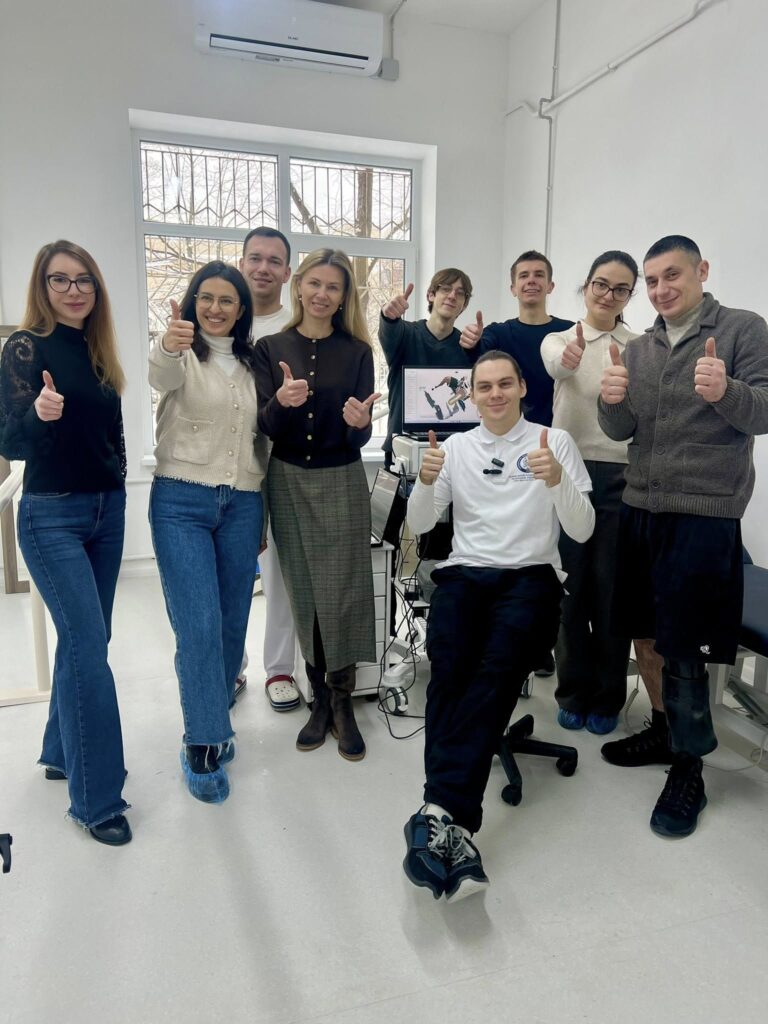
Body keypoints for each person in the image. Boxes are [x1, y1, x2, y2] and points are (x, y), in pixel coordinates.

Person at [403, 350, 594, 901]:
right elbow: (418, 523)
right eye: (484, 386)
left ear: (522, 388)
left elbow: (582, 531)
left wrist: (557, 481)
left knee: (496, 668)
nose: (495, 394)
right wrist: (424, 482)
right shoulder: (455, 448)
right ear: (471, 394)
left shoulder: (554, 442)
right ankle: (453, 827)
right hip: (466, 574)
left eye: (504, 384)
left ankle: (439, 813)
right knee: (448, 666)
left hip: (531, 577)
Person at [598, 234, 768, 838]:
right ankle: (665, 731)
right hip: (641, 507)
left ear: (702, 271)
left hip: (703, 515)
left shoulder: (742, 329)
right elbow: (621, 428)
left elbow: (765, 411)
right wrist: (610, 402)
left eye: (671, 275)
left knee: (687, 648)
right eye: (651, 280)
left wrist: (727, 391)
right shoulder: (640, 347)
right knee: (645, 633)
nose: (660, 289)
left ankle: (689, 768)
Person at [0, 240, 131, 846]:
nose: (74, 290)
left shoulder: (99, 350)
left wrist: (117, 480)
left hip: (107, 512)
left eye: (84, 280)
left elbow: (114, 434)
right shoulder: (25, 347)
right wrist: (39, 414)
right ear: (42, 286)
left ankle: (59, 751)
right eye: (60, 280)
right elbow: (9, 440)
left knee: (86, 641)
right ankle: (97, 799)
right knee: (88, 651)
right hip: (51, 515)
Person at [254, 248, 378, 761]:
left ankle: (343, 701)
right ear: (298, 285)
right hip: (286, 480)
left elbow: (358, 437)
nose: (322, 294)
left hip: (341, 477)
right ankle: (319, 700)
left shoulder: (358, 352)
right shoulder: (270, 347)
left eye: (334, 287)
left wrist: (359, 426)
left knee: (343, 592)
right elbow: (264, 425)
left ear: (344, 296)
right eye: (315, 284)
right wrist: (280, 404)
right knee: (303, 591)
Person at [149, 261, 264, 804]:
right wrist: (168, 344)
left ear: (241, 310)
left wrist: (262, 516)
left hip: (243, 503)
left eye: (227, 300)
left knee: (233, 622)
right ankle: (202, 741)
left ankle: (212, 714)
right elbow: (160, 375)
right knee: (198, 625)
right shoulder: (179, 353)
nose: (215, 308)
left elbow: (263, 440)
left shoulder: (253, 365)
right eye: (206, 298)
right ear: (193, 302)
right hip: (181, 501)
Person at [541, 250, 663, 735]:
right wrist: (569, 358)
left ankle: (609, 696)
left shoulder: (640, 346)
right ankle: (572, 691)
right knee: (570, 591)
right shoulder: (560, 339)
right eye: (601, 284)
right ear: (586, 285)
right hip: (568, 475)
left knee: (613, 593)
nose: (608, 295)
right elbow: (556, 365)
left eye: (620, 288)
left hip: (621, 476)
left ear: (631, 295)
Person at [461, 250, 573, 677]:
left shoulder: (568, 334)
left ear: (550, 285)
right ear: (513, 286)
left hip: (555, 450)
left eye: (539, 275)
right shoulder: (497, 334)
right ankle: (505, 633)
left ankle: (545, 640)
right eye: (523, 275)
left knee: (555, 550)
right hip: (507, 454)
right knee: (513, 542)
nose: (531, 281)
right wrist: (469, 344)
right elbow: (478, 373)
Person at [237, 226, 301, 713]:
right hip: (233, 466)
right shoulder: (224, 317)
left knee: (280, 572)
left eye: (274, 260)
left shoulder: (295, 326)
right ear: (241, 263)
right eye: (255, 258)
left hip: (285, 462)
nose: (263, 268)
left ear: (287, 271)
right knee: (235, 573)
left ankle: (280, 668)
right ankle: (229, 667)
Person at [379, 268, 477, 466]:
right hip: (403, 452)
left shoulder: (468, 346)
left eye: (460, 293)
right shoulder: (405, 334)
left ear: (464, 304)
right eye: (445, 289)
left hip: (455, 454)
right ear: (431, 295)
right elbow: (389, 330)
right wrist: (388, 316)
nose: (452, 296)